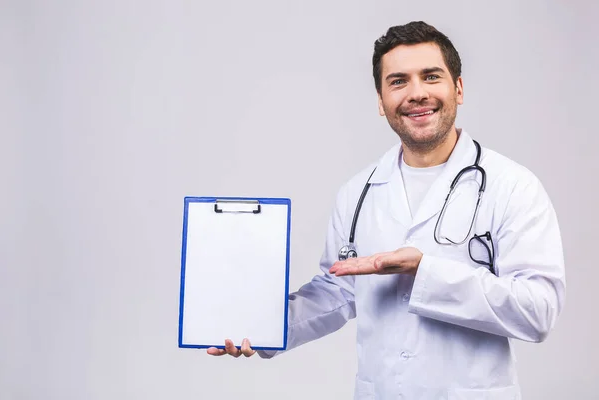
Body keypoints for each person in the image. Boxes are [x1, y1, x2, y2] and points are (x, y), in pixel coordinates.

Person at [207, 21, 566, 399]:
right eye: (398, 82)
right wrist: (261, 329)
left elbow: (538, 311)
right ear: (381, 102)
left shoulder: (512, 186)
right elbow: (337, 293)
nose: (416, 93)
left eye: (431, 77)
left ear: (458, 89)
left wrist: (424, 272)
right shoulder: (357, 192)